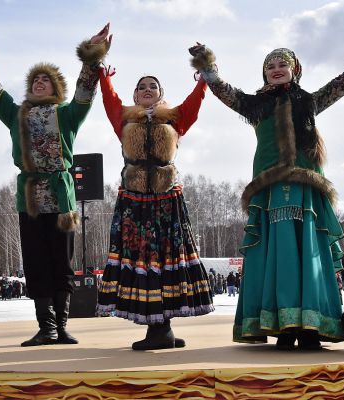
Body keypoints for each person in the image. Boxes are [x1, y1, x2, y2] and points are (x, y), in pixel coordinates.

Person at [189, 24, 344, 350]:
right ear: (264, 73)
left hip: (305, 184)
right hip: (268, 188)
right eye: (270, 65)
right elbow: (222, 89)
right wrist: (207, 64)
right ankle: (282, 326)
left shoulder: (309, 101)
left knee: (307, 251)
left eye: (282, 64)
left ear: (295, 70)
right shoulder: (254, 105)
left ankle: (310, 326)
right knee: (275, 253)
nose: (276, 69)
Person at [0, 24, 111, 347]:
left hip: (62, 198)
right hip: (30, 198)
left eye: (44, 79)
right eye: (34, 80)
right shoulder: (16, 113)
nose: (38, 82)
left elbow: (85, 91)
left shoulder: (67, 113)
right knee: (36, 263)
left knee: (62, 264)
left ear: (54, 87)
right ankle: (45, 326)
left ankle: (62, 326)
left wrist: (93, 56)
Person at [95, 36, 214, 351]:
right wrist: (103, 78)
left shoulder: (175, 119)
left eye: (153, 86)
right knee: (144, 262)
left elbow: (195, 103)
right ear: (134, 95)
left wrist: (203, 79)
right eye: (142, 87)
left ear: (161, 94)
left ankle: (162, 330)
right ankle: (160, 329)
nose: (147, 90)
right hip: (135, 203)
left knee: (163, 260)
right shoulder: (124, 120)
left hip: (165, 203)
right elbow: (108, 101)